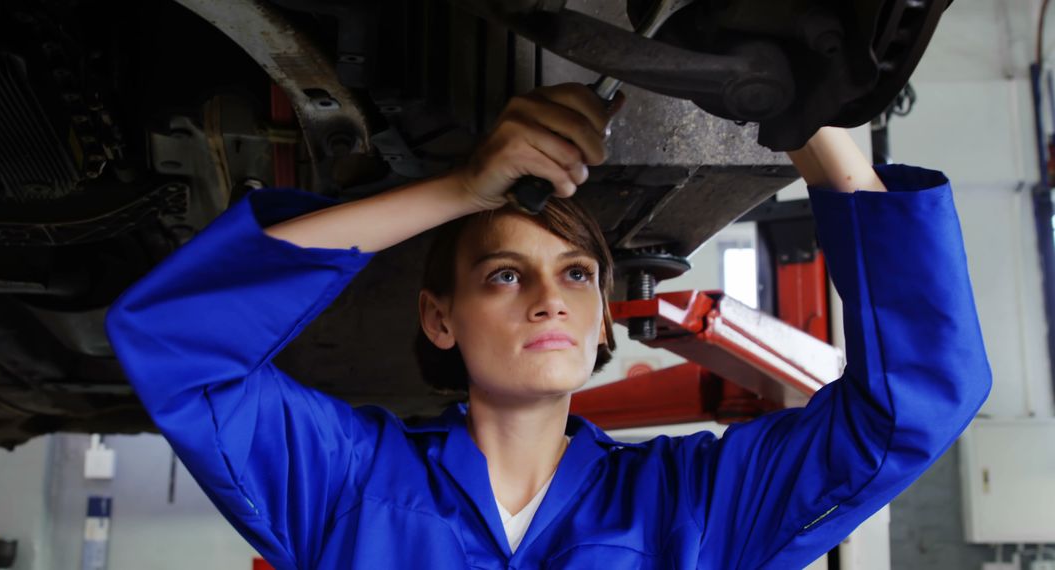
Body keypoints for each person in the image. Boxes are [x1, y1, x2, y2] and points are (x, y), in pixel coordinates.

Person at [104, 83, 991, 569]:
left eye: (576, 274)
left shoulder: (693, 510)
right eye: (503, 274)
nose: (548, 298)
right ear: (438, 319)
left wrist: (810, 116)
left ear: (603, 316)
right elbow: (176, 341)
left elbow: (910, 408)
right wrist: (458, 191)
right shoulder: (344, 482)